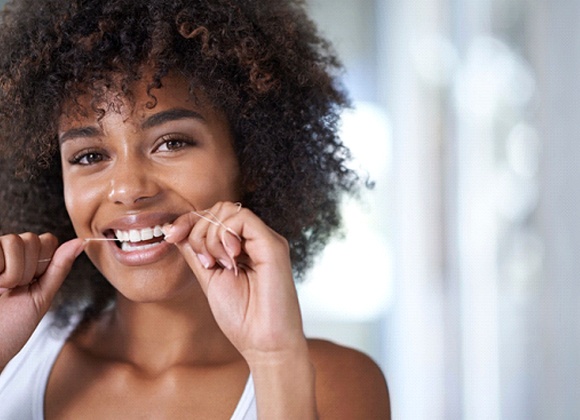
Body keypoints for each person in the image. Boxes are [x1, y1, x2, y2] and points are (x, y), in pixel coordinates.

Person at [0, 0, 390, 418]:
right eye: (90, 156)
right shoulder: (14, 361)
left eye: (172, 143)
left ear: (252, 159)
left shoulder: (335, 382)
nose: (128, 190)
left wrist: (274, 358)